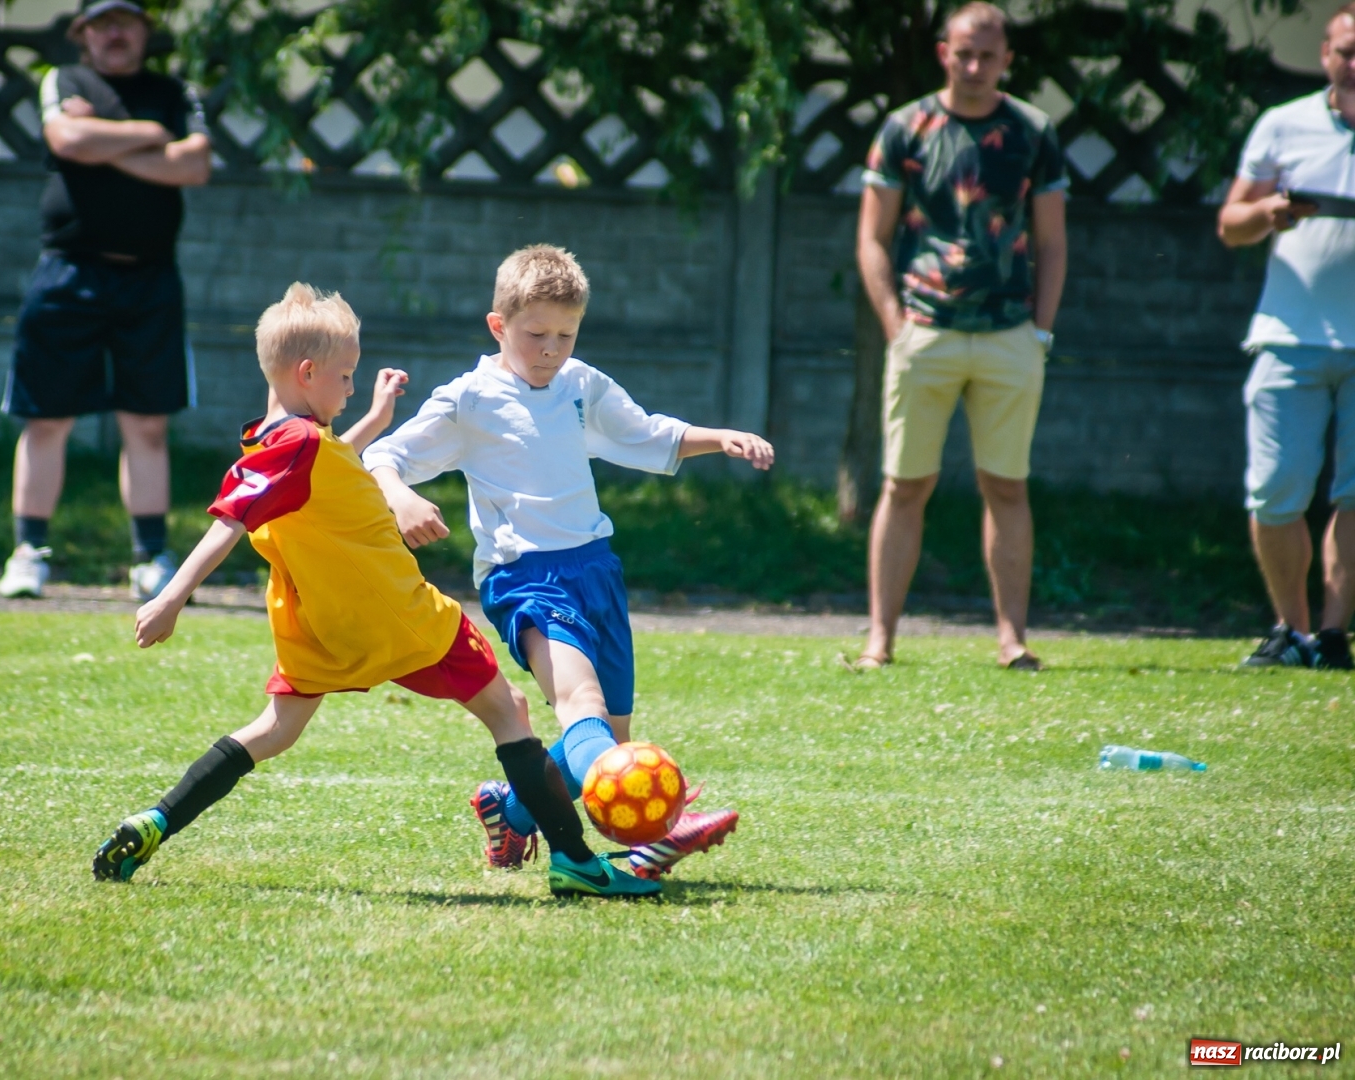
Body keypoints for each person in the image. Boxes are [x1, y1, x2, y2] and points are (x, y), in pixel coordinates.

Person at [91, 283, 660, 899]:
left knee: (273, 731)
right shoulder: (300, 445)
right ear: (308, 373)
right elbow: (228, 520)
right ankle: (575, 860)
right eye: (345, 376)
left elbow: (327, 466)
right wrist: (171, 597)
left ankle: (154, 821)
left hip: (319, 625)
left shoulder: (273, 440)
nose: (351, 386)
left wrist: (375, 421)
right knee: (509, 713)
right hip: (402, 617)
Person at [362, 245, 773, 879]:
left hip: (595, 570)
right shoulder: (470, 399)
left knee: (604, 729)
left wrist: (719, 438)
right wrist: (401, 498)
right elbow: (381, 456)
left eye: (566, 334)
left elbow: (645, 435)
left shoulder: (580, 384)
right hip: (524, 577)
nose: (552, 348)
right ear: (498, 327)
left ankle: (511, 810)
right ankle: (658, 831)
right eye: (536, 335)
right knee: (580, 702)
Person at [854, 1, 1068, 671]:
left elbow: (1054, 241)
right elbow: (871, 238)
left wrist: (1040, 331)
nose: (974, 66)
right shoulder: (905, 127)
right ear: (944, 51)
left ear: (1007, 59)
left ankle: (1012, 641)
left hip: (1010, 335)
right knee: (903, 487)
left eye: (988, 55)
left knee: (1006, 487)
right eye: (963, 52)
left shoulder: (1034, 130)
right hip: (925, 329)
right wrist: (896, 326)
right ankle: (879, 642)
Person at [0, 0, 212, 603]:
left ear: (144, 30)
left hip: (150, 280)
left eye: (126, 21)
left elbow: (194, 165)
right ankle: (29, 552)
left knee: (146, 424)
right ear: (83, 35)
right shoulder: (64, 82)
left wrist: (103, 142)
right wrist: (147, 136)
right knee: (47, 418)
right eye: (101, 23)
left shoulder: (171, 91)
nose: (114, 33)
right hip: (67, 274)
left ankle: (150, 558)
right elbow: (65, 138)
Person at [1218, 1, 1355, 670]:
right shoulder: (1283, 124)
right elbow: (1230, 223)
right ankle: (1291, 631)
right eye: (1346, 51)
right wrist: (1271, 210)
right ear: (1326, 54)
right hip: (1289, 334)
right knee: (1275, 490)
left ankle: (1332, 636)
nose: (1354, 64)